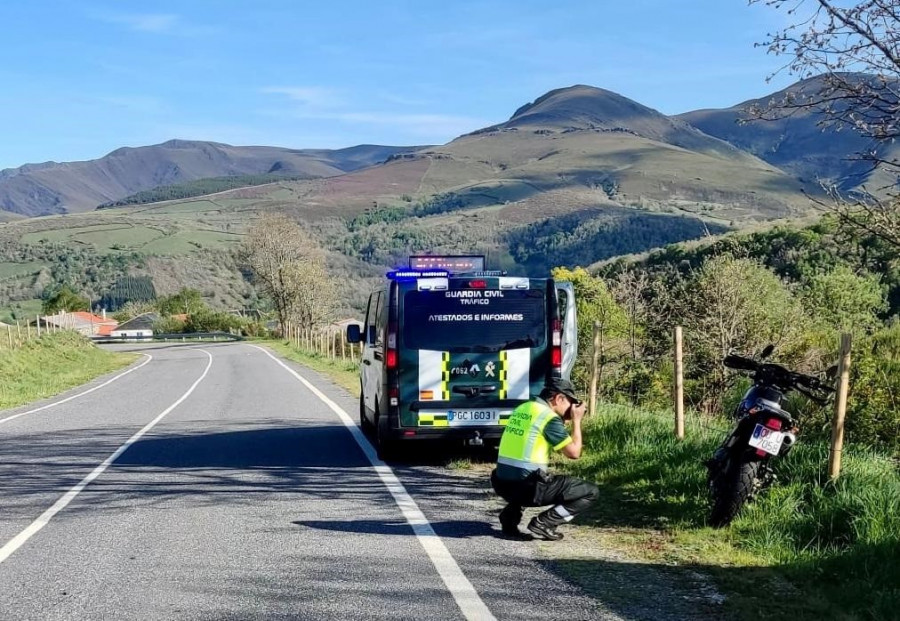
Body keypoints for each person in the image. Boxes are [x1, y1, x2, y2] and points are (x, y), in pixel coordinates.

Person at [490, 377, 599, 540]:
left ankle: (509, 518)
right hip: (527, 490)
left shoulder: (524, 408)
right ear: (559, 398)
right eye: (570, 402)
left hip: (502, 484)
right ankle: (545, 522)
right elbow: (574, 453)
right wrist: (576, 421)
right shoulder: (548, 418)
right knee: (591, 492)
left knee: (530, 474)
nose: (572, 407)